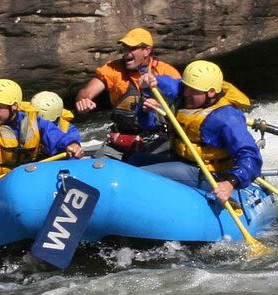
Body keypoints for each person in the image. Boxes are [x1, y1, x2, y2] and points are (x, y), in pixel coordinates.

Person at [132, 60, 262, 203]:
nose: (186, 93)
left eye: (193, 90)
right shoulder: (185, 92)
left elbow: (251, 156)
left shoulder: (226, 119)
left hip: (208, 173)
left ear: (211, 93)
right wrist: (148, 88)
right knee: (134, 160)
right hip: (182, 161)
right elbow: (167, 87)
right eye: (186, 87)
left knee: (141, 175)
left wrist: (230, 182)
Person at [0, 79, 84, 191]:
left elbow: (58, 137)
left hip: (29, 181)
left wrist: (72, 144)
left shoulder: (35, 122)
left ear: (14, 107)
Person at [74, 27, 180, 160]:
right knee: (97, 167)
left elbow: (180, 103)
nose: (126, 53)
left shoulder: (166, 72)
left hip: (156, 140)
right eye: (125, 48)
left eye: (132, 48)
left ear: (147, 50)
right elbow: (86, 91)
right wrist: (84, 100)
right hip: (121, 140)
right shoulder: (113, 69)